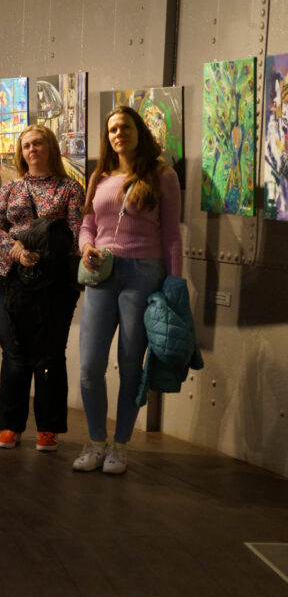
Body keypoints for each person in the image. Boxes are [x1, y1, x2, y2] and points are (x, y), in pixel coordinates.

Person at [73, 106, 182, 474]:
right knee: (90, 365)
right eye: (113, 130)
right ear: (108, 137)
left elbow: (172, 236)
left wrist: (174, 284)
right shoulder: (100, 176)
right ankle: (95, 441)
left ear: (139, 131)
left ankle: (120, 445)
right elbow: (87, 224)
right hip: (101, 273)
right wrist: (86, 246)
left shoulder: (162, 176)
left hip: (143, 274)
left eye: (125, 127)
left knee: (131, 365)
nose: (119, 134)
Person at [0, 125, 84, 451]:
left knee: (50, 354)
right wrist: (15, 251)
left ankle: (48, 429)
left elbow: (77, 232)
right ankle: (10, 426)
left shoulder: (70, 189)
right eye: (26, 145)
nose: (32, 149)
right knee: (14, 352)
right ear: (21, 152)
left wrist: (46, 255)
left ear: (50, 146)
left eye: (38, 143)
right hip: (9, 277)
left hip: (53, 282)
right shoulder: (10, 189)